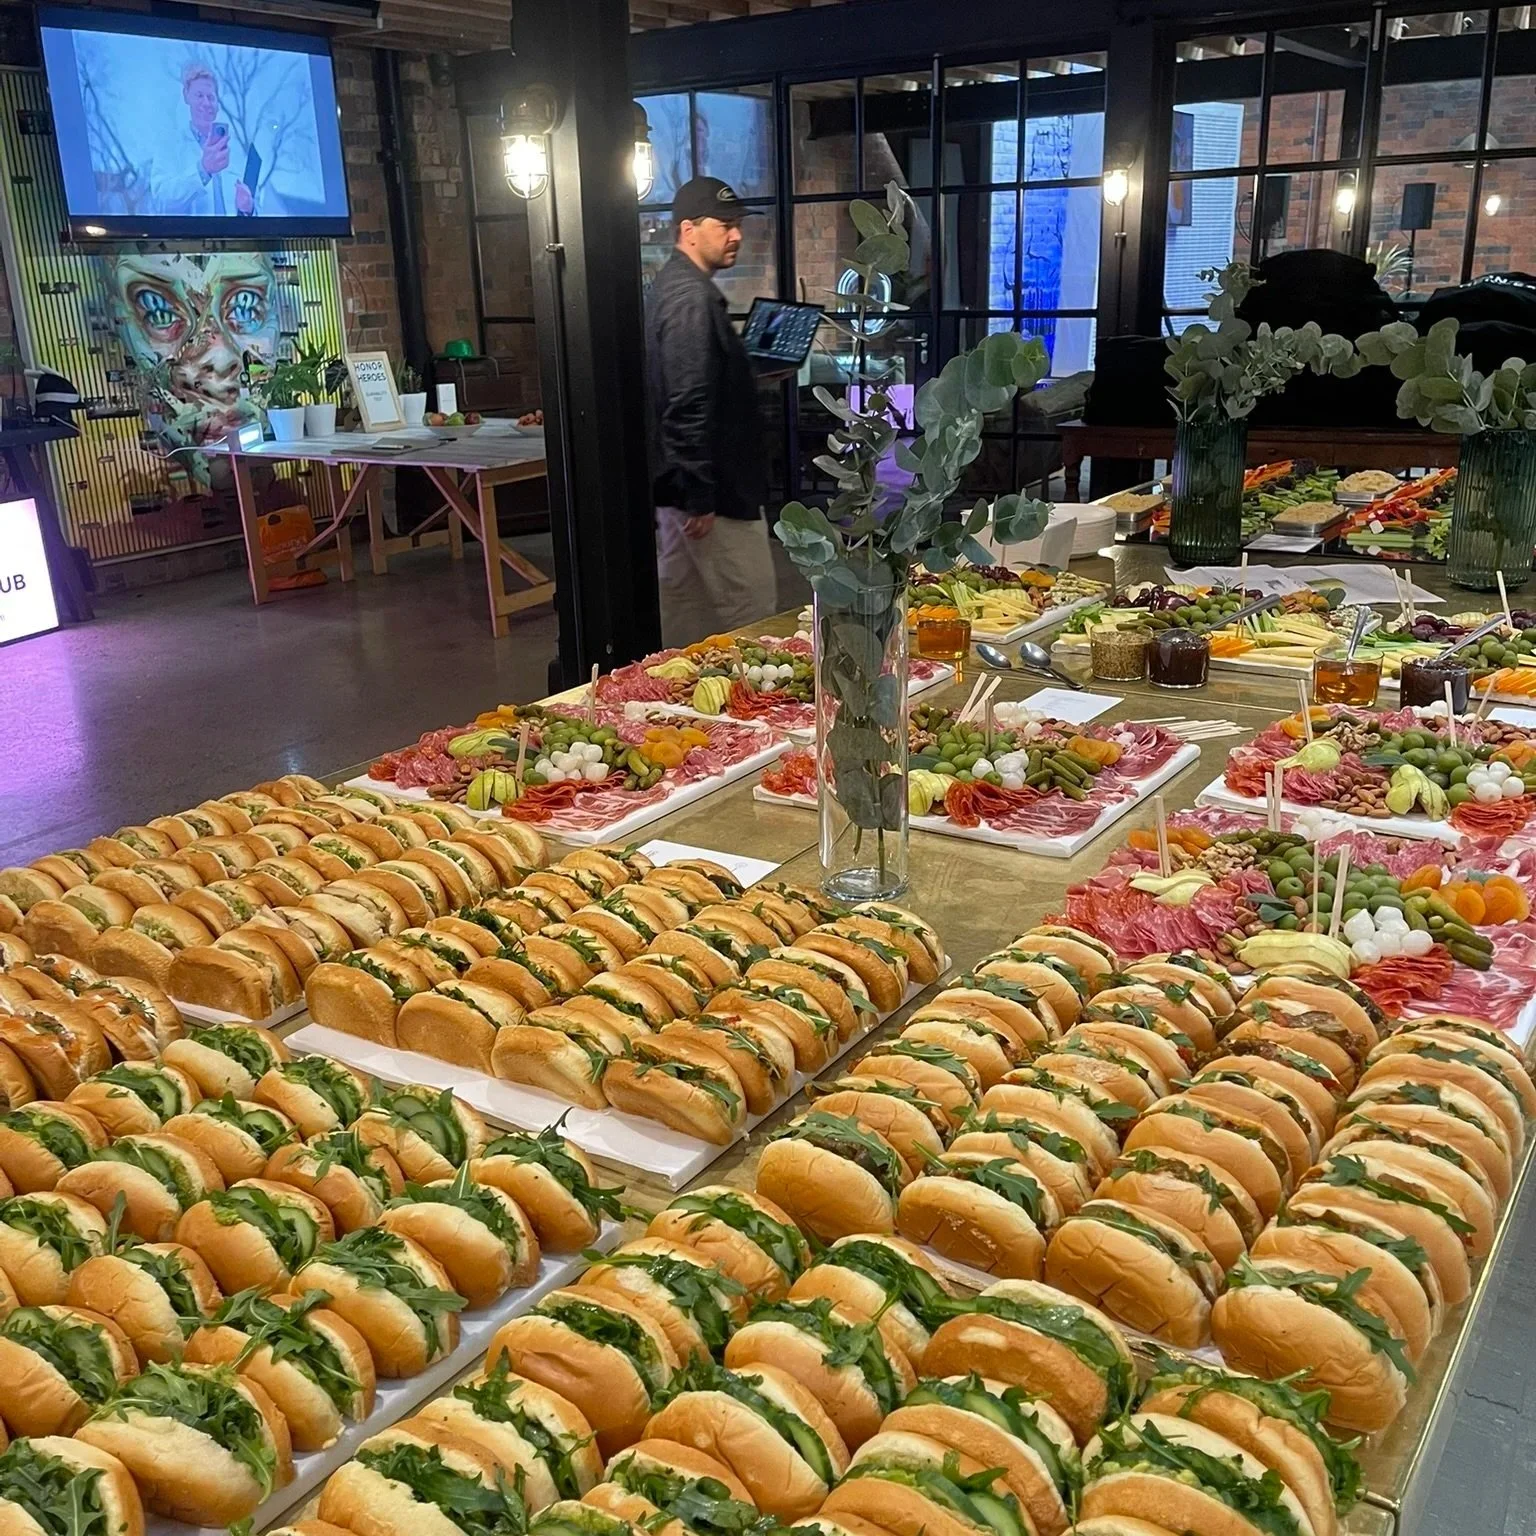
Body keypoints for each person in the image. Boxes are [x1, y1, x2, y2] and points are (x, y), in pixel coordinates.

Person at [645, 176, 776, 647]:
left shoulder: (670, 288)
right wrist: (699, 494)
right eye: (724, 225)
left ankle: (674, 693)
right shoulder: (691, 300)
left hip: (680, 491)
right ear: (689, 229)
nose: (736, 234)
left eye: (738, 224)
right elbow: (686, 402)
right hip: (714, 500)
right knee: (753, 622)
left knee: (683, 617)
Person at [153, 64, 255, 218]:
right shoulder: (169, 145)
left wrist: (249, 208)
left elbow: (254, 210)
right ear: (186, 96)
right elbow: (161, 202)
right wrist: (203, 170)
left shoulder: (234, 151)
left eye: (211, 97)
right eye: (199, 95)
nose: (206, 103)